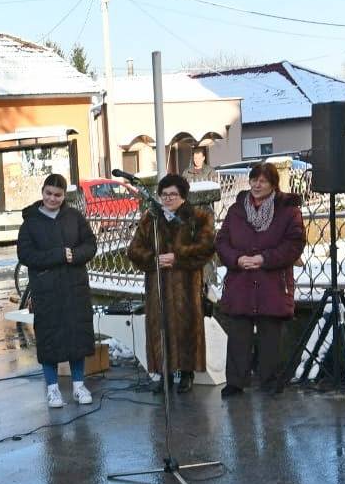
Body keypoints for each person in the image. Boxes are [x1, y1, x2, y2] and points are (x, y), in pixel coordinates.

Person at [215, 162, 306, 397]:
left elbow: (294, 244)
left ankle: (270, 381)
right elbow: (222, 241)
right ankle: (235, 381)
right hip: (240, 281)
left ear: (273, 184)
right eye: (254, 179)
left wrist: (264, 259)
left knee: (271, 335)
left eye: (263, 181)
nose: (257, 184)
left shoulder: (288, 210)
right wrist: (237, 259)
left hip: (272, 282)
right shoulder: (237, 210)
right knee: (238, 333)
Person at [126, 173, 215, 394]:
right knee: (160, 328)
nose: (168, 199)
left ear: (183, 196)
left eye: (173, 194)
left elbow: (207, 247)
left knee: (186, 327)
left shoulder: (197, 218)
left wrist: (178, 256)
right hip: (158, 285)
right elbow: (134, 250)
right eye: (164, 195)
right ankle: (163, 373)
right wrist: (154, 258)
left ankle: (187, 374)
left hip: (186, 285)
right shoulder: (151, 218)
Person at [17, 173, 97, 408]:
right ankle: (52, 389)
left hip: (74, 287)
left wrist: (75, 255)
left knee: (77, 337)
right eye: (49, 193)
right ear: (42, 192)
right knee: (48, 338)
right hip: (46, 290)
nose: (53, 198)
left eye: (58, 195)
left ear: (64, 196)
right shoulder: (30, 221)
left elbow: (90, 244)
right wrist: (59, 255)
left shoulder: (74, 217)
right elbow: (25, 255)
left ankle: (79, 386)